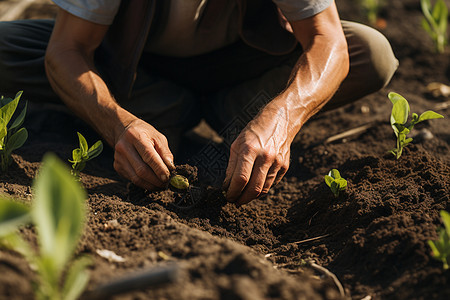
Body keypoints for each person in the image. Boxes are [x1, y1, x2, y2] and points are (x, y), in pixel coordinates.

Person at [0, 0, 398, 206]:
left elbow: (328, 41)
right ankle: (167, 109)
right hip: (133, 68)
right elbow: (67, 50)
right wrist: (117, 123)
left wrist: (282, 115)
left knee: (369, 52)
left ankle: (239, 116)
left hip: (244, 67)